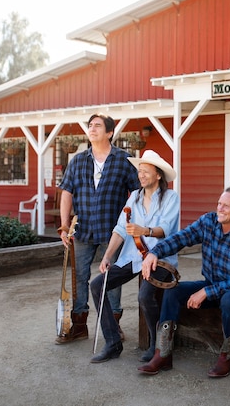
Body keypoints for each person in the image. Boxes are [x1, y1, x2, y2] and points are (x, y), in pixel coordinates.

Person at [138, 185, 230, 378]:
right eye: (219, 203)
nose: (220, 208)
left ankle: (227, 356)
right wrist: (155, 252)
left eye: (226, 206)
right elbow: (182, 238)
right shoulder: (209, 222)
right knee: (173, 291)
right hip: (212, 284)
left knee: (229, 299)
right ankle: (163, 353)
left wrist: (206, 292)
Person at [55, 113, 141, 345]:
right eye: (90, 125)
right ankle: (80, 326)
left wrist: (130, 222)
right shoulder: (78, 160)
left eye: (97, 126)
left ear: (110, 132)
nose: (91, 129)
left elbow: (137, 194)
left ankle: (113, 327)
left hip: (112, 231)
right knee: (80, 277)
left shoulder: (124, 160)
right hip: (81, 231)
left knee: (110, 278)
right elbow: (67, 193)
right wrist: (64, 225)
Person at [90, 150, 180, 363]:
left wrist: (145, 230)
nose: (141, 175)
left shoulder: (170, 197)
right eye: (140, 171)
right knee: (97, 286)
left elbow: (165, 229)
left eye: (146, 172)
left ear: (158, 175)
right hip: (133, 257)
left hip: (160, 258)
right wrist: (107, 256)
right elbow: (120, 229)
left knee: (144, 296)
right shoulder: (134, 198)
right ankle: (113, 343)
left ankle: (156, 345)